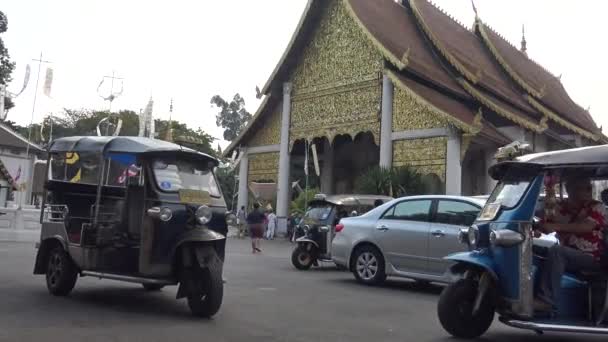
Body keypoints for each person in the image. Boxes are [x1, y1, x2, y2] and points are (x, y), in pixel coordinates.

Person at [535, 177, 607, 311]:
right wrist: (538, 226)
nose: (586, 191)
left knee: (557, 252)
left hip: (591, 257)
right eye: (580, 188)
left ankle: (547, 300)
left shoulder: (597, 207)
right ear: (569, 190)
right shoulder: (563, 206)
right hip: (570, 253)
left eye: (587, 188)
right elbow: (547, 219)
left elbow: (585, 227)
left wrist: (556, 226)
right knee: (533, 249)